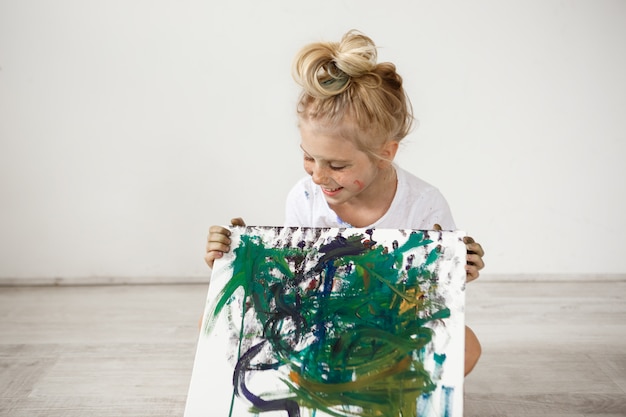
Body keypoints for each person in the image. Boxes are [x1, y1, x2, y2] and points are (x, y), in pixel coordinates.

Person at [205, 30, 484, 376]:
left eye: (337, 166)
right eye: (309, 158)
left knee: (466, 346)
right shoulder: (304, 198)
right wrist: (239, 260)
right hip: (320, 325)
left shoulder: (424, 205)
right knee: (214, 326)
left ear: (385, 153)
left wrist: (458, 267)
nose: (318, 177)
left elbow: (432, 298)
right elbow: (293, 283)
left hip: (388, 328)